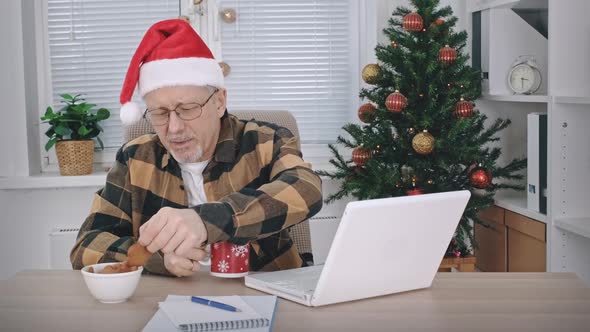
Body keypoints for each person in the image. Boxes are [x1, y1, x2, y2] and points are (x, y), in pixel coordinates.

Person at [70, 19, 323, 277]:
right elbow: (85, 246)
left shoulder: (266, 140)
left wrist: (207, 220)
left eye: (188, 108)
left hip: (264, 291)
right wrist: (157, 258)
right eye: (160, 113)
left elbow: (307, 189)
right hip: (172, 298)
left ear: (219, 102)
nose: (174, 127)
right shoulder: (135, 158)